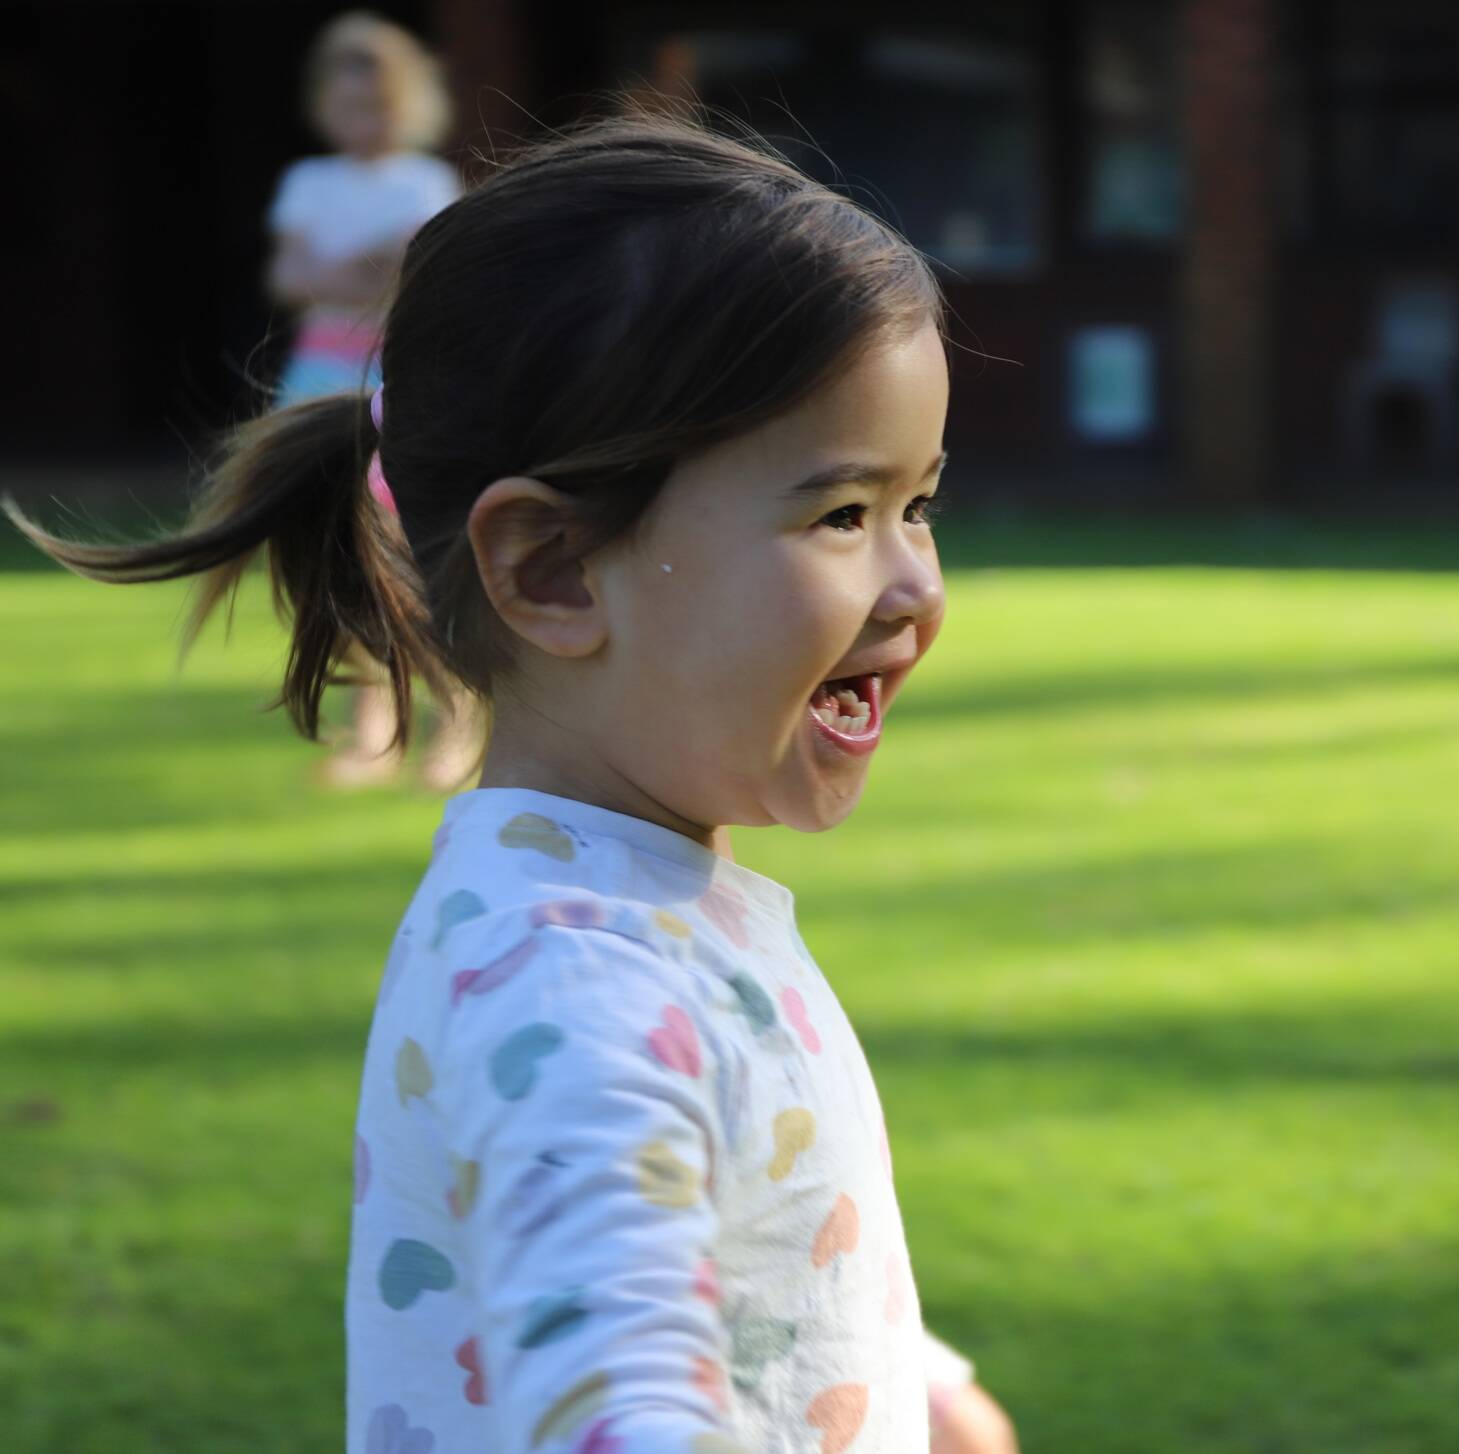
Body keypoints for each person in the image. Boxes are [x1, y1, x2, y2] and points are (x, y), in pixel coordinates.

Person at [3, 95, 1018, 1454]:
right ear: (549, 569)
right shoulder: (578, 985)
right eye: (843, 511)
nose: (915, 583)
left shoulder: (624, 906)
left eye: (921, 505)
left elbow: (730, 1222)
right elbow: (617, 1395)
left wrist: (910, 1373)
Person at [266, 8, 480, 791]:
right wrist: (362, 267)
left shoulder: (426, 182)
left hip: (397, 377)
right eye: (351, 103)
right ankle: (373, 725)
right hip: (321, 381)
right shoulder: (308, 182)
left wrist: (349, 271)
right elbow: (295, 280)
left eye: (381, 103)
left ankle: (456, 718)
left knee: (419, 554)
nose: (366, 120)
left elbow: (415, 273)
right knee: (340, 556)